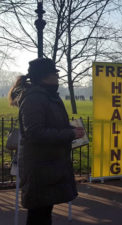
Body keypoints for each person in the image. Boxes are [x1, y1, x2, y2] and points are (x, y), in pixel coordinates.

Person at [8, 58, 85, 225]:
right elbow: (34, 133)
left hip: (47, 166)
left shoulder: (47, 96)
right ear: (45, 77)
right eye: (55, 74)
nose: (57, 78)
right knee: (38, 215)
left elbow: (48, 125)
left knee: (44, 212)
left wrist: (70, 129)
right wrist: (69, 133)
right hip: (39, 168)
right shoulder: (34, 98)